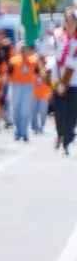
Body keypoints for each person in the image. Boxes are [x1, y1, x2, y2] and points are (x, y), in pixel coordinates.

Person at [50, 8, 77, 155]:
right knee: (59, 112)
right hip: (59, 81)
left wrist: (68, 61)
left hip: (73, 82)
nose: (70, 24)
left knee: (72, 114)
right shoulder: (59, 37)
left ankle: (67, 141)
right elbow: (51, 54)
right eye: (68, 22)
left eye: (73, 22)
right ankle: (60, 133)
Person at [4, 41, 37, 142]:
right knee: (16, 109)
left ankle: (24, 132)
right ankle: (16, 132)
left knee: (25, 111)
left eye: (25, 49)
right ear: (18, 50)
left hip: (28, 86)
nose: (23, 51)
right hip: (16, 86)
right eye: (21, 49)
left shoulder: (33, 61)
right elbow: (8, 75)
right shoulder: (13, 61)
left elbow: (38, 73)